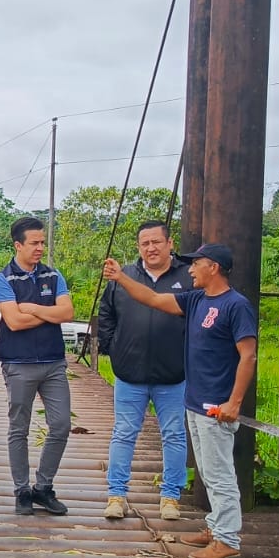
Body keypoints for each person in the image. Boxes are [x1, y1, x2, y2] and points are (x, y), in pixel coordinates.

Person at [101, 243, 256, 558]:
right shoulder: (197, 299)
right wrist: (121, 277)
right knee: (208, 471)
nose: (191, 269)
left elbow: (248, 356)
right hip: (195, 402)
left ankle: (227, 539)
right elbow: (153, 299)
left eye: (196, 264)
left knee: (219, 474)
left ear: (214, 267)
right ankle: (215, 527)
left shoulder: (236, 305)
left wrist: (234, 402)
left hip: (217, 407)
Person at [98, 220, 194, 522]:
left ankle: (171, 497)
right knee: (123, 433)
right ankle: (116, 495)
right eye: (145, 243)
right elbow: (106, 314)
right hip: (130, 373)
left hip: (173, 374)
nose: (151, 248)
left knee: (174, 435)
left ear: (170, 243)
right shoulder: (123, 275)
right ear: (139, 247)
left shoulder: (188, 277)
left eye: (156, 242)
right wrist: (113, 348)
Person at [0, 216, 73, 516]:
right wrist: (50, 313)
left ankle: (44, 486)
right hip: (18, 363)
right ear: (18, 245)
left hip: (53, 362)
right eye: (34, 243)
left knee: (61, 425)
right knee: (19, 428)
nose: (40, 248)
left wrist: (35, 308)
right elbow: (14, 321)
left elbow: (67, 312)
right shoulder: (3, 279)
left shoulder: (53, 275)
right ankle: (22, 490)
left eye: (42, 242)